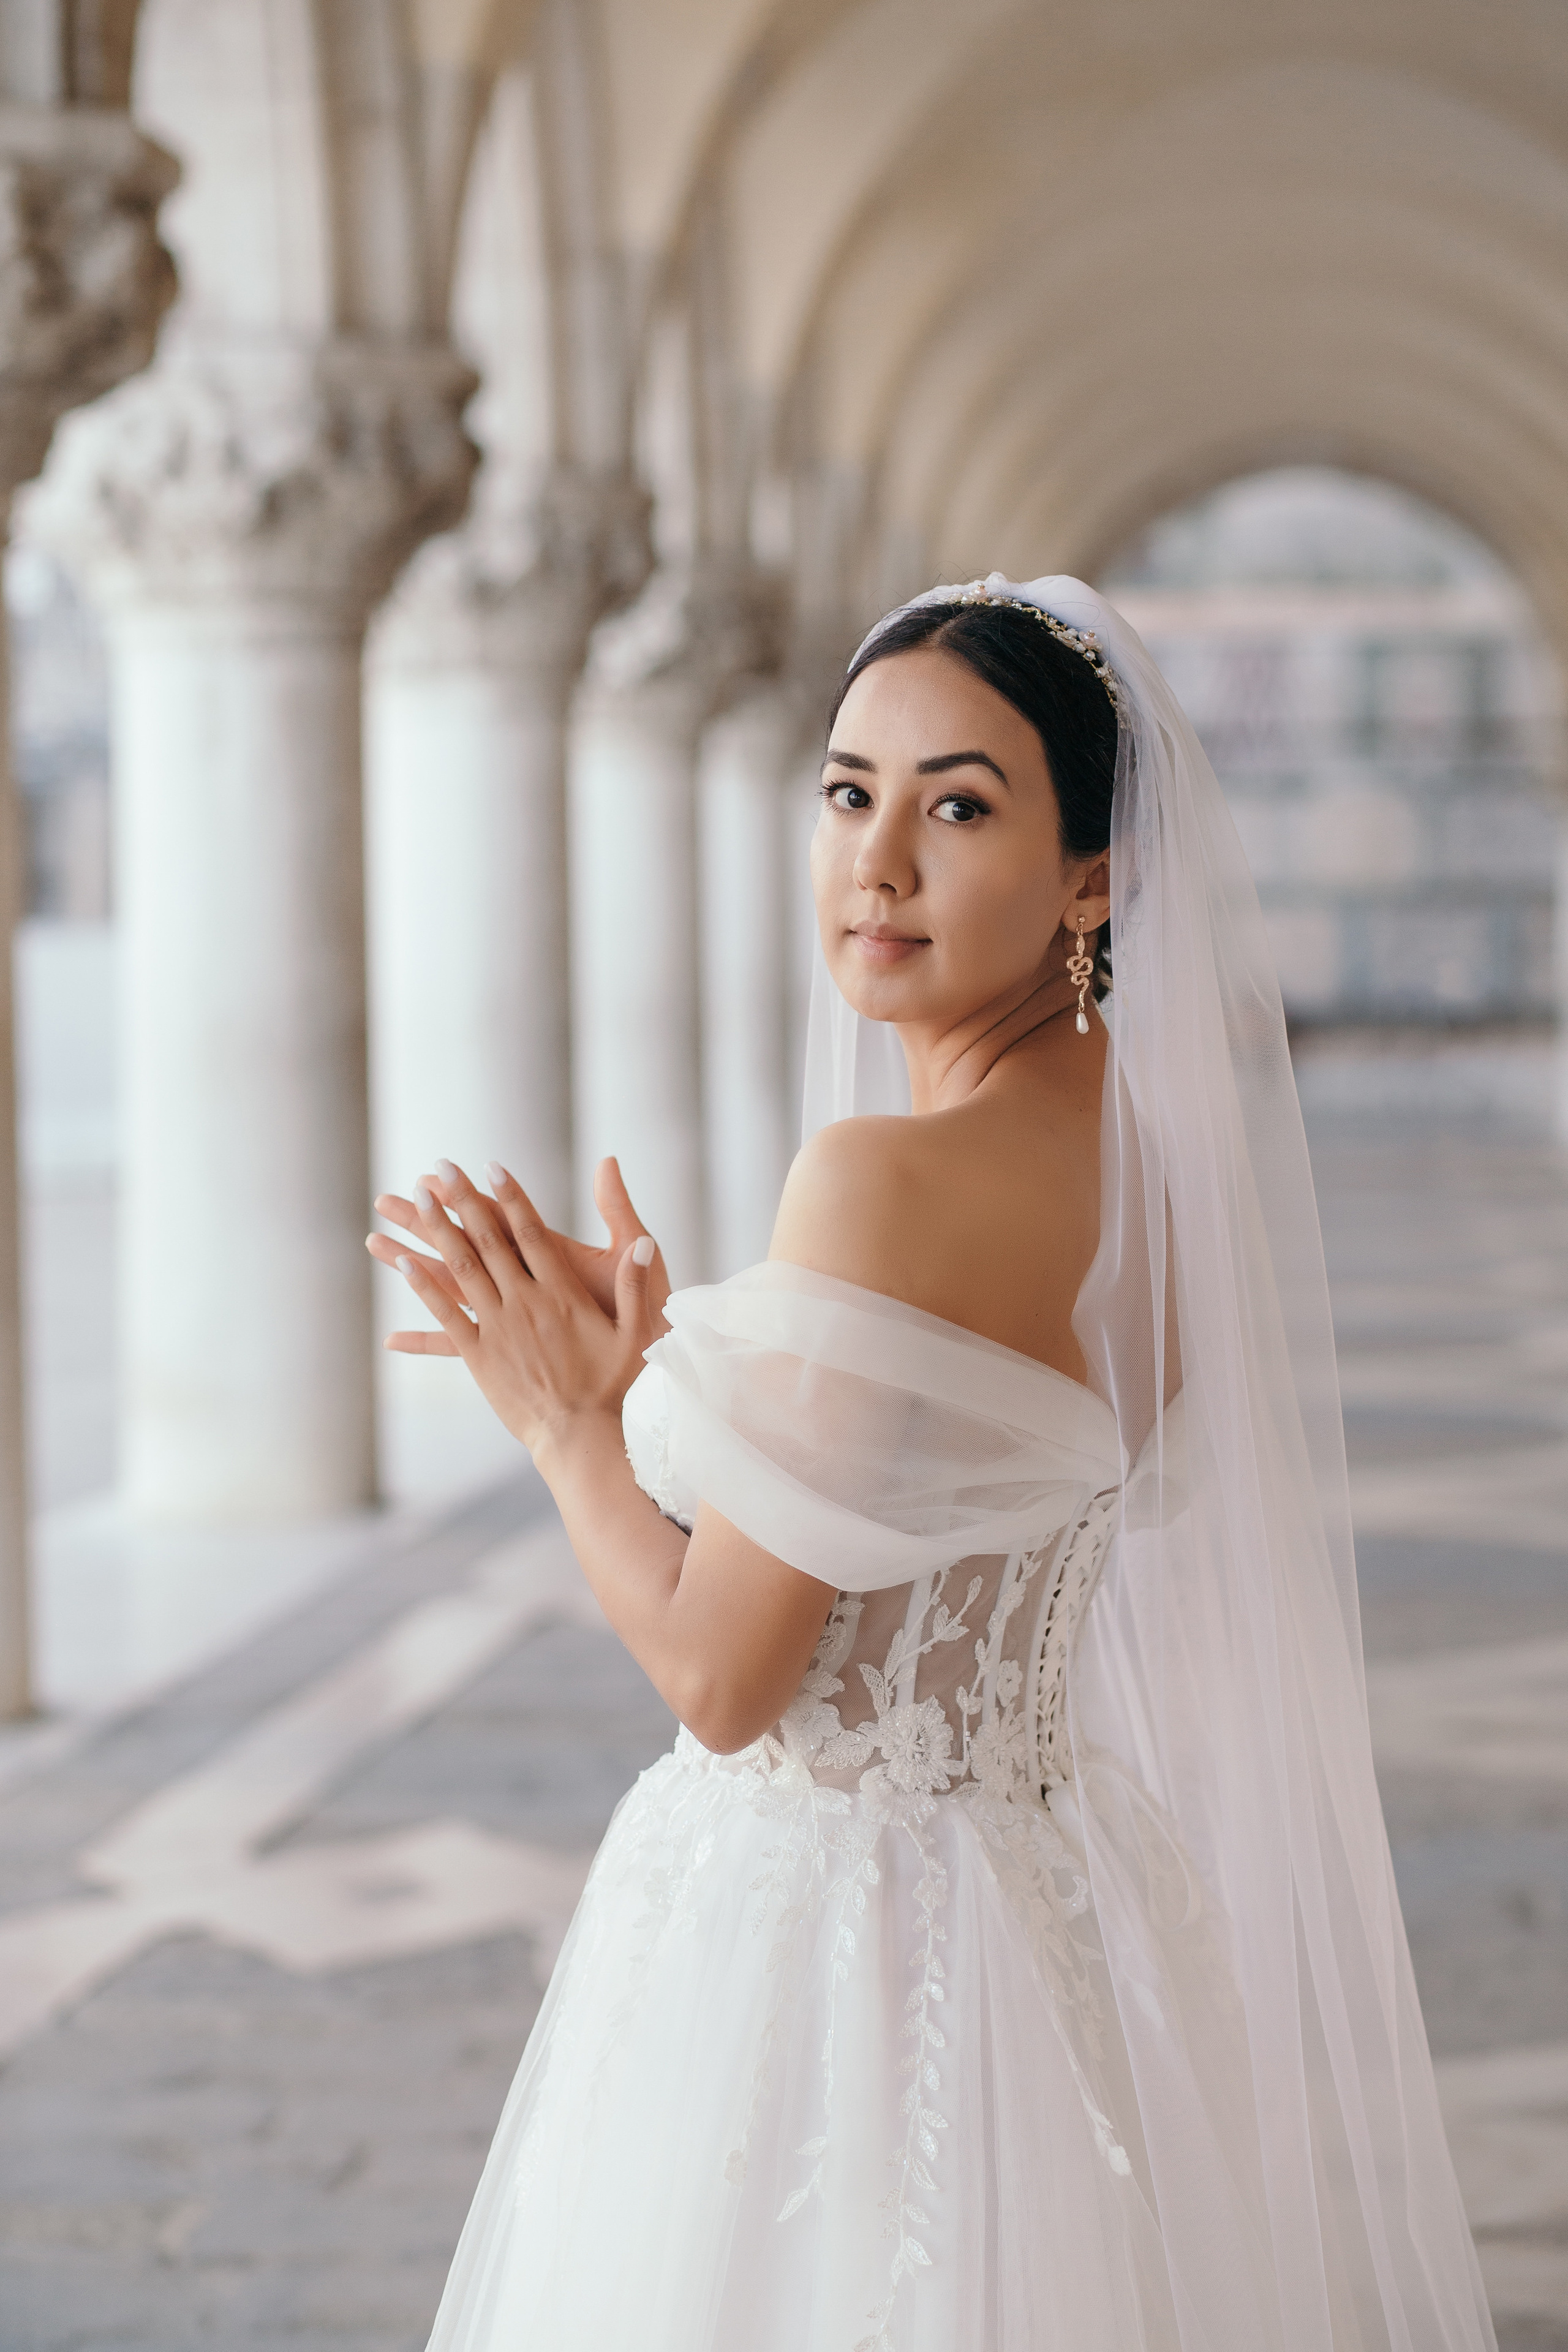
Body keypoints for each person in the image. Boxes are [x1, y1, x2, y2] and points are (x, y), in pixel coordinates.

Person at [370, 576, 1494, 2351]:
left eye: (958, 804)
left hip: (827, 1938)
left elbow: (728, 1676)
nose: (877, 860)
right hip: (1046, 1922)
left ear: (1095, 874)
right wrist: (677, 1374)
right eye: (847, 792)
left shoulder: (879, 1182)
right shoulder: (1155, 1166)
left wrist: (566, 1424)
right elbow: (924, 1522)